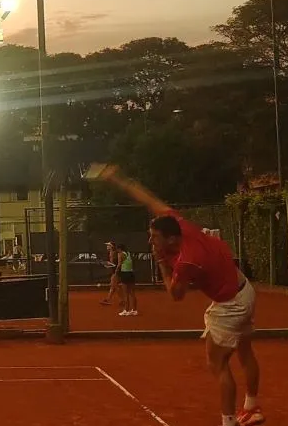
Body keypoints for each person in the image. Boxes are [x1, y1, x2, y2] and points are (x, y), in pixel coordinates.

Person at [94, 164, 263, 426]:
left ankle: (228, 421)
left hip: (230, 303)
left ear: (171, 240)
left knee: (217, 364)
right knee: (244, 350)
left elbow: (176, 294)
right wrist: (118, 179)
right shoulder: (178, 223)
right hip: (245, 290)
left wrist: (161, 263)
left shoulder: (187, 261)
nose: (151, 242)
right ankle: (253, 407)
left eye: (154, 237)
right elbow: (149, 198)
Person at [117, 244, 138, 317]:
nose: (117, 251)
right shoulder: (129, 253)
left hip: (125, 274)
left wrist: (116, 271)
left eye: (117, 249)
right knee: (132, 293)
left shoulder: (120, 254)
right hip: (131, 274)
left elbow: (119, 264)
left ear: (120, 249)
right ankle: (134, 310)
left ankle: (126, 310)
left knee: (125, 293)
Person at [100, 242, 122, 307]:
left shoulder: (113, 253)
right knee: (113, 286)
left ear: (112, 246)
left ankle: (122, 300)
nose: (107, 246)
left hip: (116, 271)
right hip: (114, 271)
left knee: (115, 286)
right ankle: (108, 299)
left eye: (108, 245)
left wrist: (106, 264)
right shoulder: (112, 253)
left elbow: (113, 264)